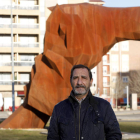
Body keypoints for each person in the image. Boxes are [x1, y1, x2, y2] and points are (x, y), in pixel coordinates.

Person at [47, 64, 122, 140]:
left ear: (91, 81)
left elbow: (115, 135)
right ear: (70, 81)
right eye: (76, 78)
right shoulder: (59, 109)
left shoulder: (104, 106)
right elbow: (52, 137)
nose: (79, 82)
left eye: (84, 78)